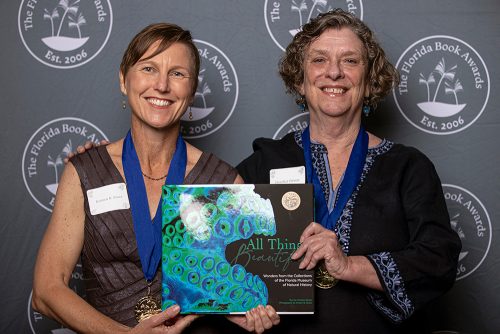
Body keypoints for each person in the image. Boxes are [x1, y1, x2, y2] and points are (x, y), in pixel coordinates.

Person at [32, 23, 279, 334]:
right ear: (124, 79)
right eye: (148, 68)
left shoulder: (223, 182)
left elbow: (231, 285)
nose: (161, 85)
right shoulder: (85, 171)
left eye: (177, 73)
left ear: (191, 90)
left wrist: (242, 309)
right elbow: (45, 291)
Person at [236, 9, 461, 333]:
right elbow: (217, 246)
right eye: (319, 60)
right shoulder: (265, 163)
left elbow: (438, 260)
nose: (334, 73)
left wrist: (348, 266)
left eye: (350, 61)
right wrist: (241, 311)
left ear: (369, 81)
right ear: (300, 79)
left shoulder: (407, 168)